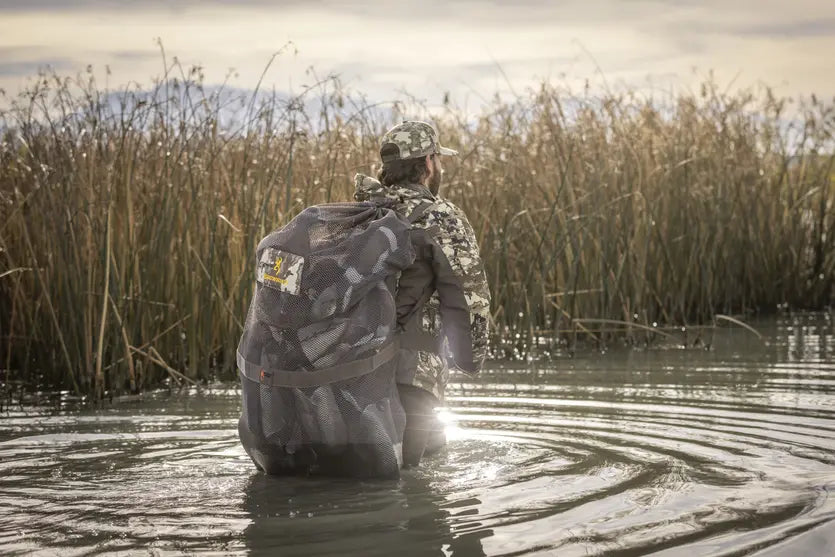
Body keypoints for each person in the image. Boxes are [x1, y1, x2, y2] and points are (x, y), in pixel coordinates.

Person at [354, 120, 492, 467]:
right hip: (411, 375)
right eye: (437, 159)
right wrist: (470, 358)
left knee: (412, 460)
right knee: (405, 487)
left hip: (351, 369)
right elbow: (468, 296)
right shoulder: (441, 217)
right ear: (428, 163)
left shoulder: (360, 212)